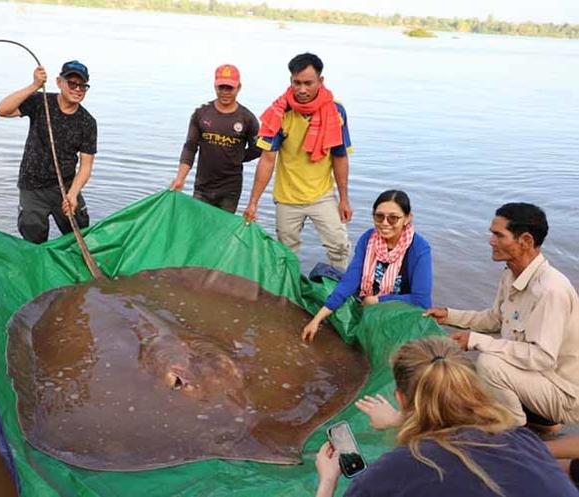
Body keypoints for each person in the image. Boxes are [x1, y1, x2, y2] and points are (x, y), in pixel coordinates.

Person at [315, 336, 578, 497]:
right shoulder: (524, 440)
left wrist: (328, 480)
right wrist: (399, 420)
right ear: (473, 389)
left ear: (401, 399)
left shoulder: (392, 472)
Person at [424, 203, 579, 428]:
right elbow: (495, 319)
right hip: (536, 380)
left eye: (499, 235)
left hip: (564, 393)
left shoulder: (550, 290)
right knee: (479, 369)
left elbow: (542, 357)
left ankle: (513, 433)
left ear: (525, 241)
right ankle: (535, 422)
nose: (491, 241)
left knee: (489, 364)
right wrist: (449, 316)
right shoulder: (511, 273)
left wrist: (476, 341)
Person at [243, 52, 353, 270]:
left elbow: (340, 156)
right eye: (297, 83)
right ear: (290, 81)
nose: (302, 89)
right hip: (287, 197)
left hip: (322, 195)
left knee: (339, 246)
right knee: (286, 252)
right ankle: (290, 291)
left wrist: (344, 198)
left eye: (308, 83)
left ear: (320, 81)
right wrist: (253, 202)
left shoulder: (335, 111)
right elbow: (267, 160)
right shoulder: (279, 112)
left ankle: (340, 294)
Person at [302, 190, 432, 342]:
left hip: (398, 310)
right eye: (379, 216)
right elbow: (350, 280)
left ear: (407, 219)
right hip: (366, 299)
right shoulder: (369, 238)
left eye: (393, 218)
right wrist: (317, 319)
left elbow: (422, 301)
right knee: (329, 284)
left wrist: (379, 301)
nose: (384, 223)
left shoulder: (419, 249)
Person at [0, 60, 97, 244]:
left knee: (80, 236)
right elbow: (2, 110)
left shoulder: (87, 122)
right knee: (33, 237)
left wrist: (73, 194)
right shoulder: (40, 102)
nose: (77, 89)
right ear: (59, 82)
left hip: (65, 187)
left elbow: (86, 166)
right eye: (72, 83)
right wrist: (34, 86)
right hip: (31, 186)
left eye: (83, 85)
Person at [169, 64, 261, 213]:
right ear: (215, 86)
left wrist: (237, 157)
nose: (225, 92)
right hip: (202, 187)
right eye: (221, 87)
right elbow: (190, 147)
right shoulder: (201, 113)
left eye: (229, 88)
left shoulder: (247, 118)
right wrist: (180, 178)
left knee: (222, 233)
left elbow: (258, 149)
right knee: (198, 228)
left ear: (239, 88)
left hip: (230, 189)